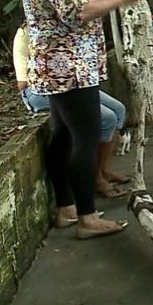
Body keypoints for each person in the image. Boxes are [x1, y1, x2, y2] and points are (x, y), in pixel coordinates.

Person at [15, 0, 140, 239]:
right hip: (68, 66)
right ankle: (87, 216)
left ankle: (66, 208)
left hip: (58, 65)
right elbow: (77, 14)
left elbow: (73, 6)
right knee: (84, 138)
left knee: (65, 135)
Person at [12, 23, 131, 199]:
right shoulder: (26, 35)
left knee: (118, 110)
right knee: (107, 118)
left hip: (74, 84)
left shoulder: (67, 28)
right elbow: (23, 83)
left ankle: (104, 169)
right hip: (40, 89)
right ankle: (95, 178)